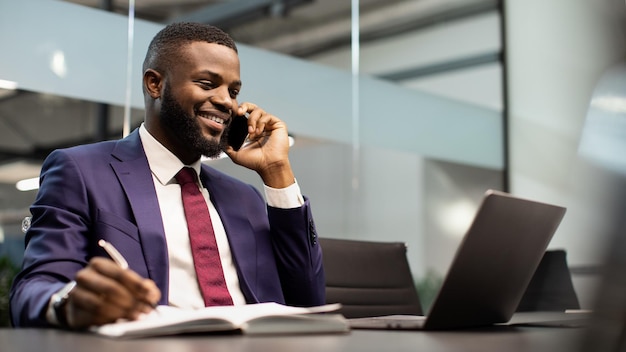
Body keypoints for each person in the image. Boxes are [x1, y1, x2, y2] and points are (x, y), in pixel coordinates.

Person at [9, 22, 325, 329]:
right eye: (207, 83)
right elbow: (34, 288)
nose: (227, 101)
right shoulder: (81, 171)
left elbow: (308, 301)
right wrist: (68, 302)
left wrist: (276, 171)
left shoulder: (244, 198)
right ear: (155, 84)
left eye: (233, 90)